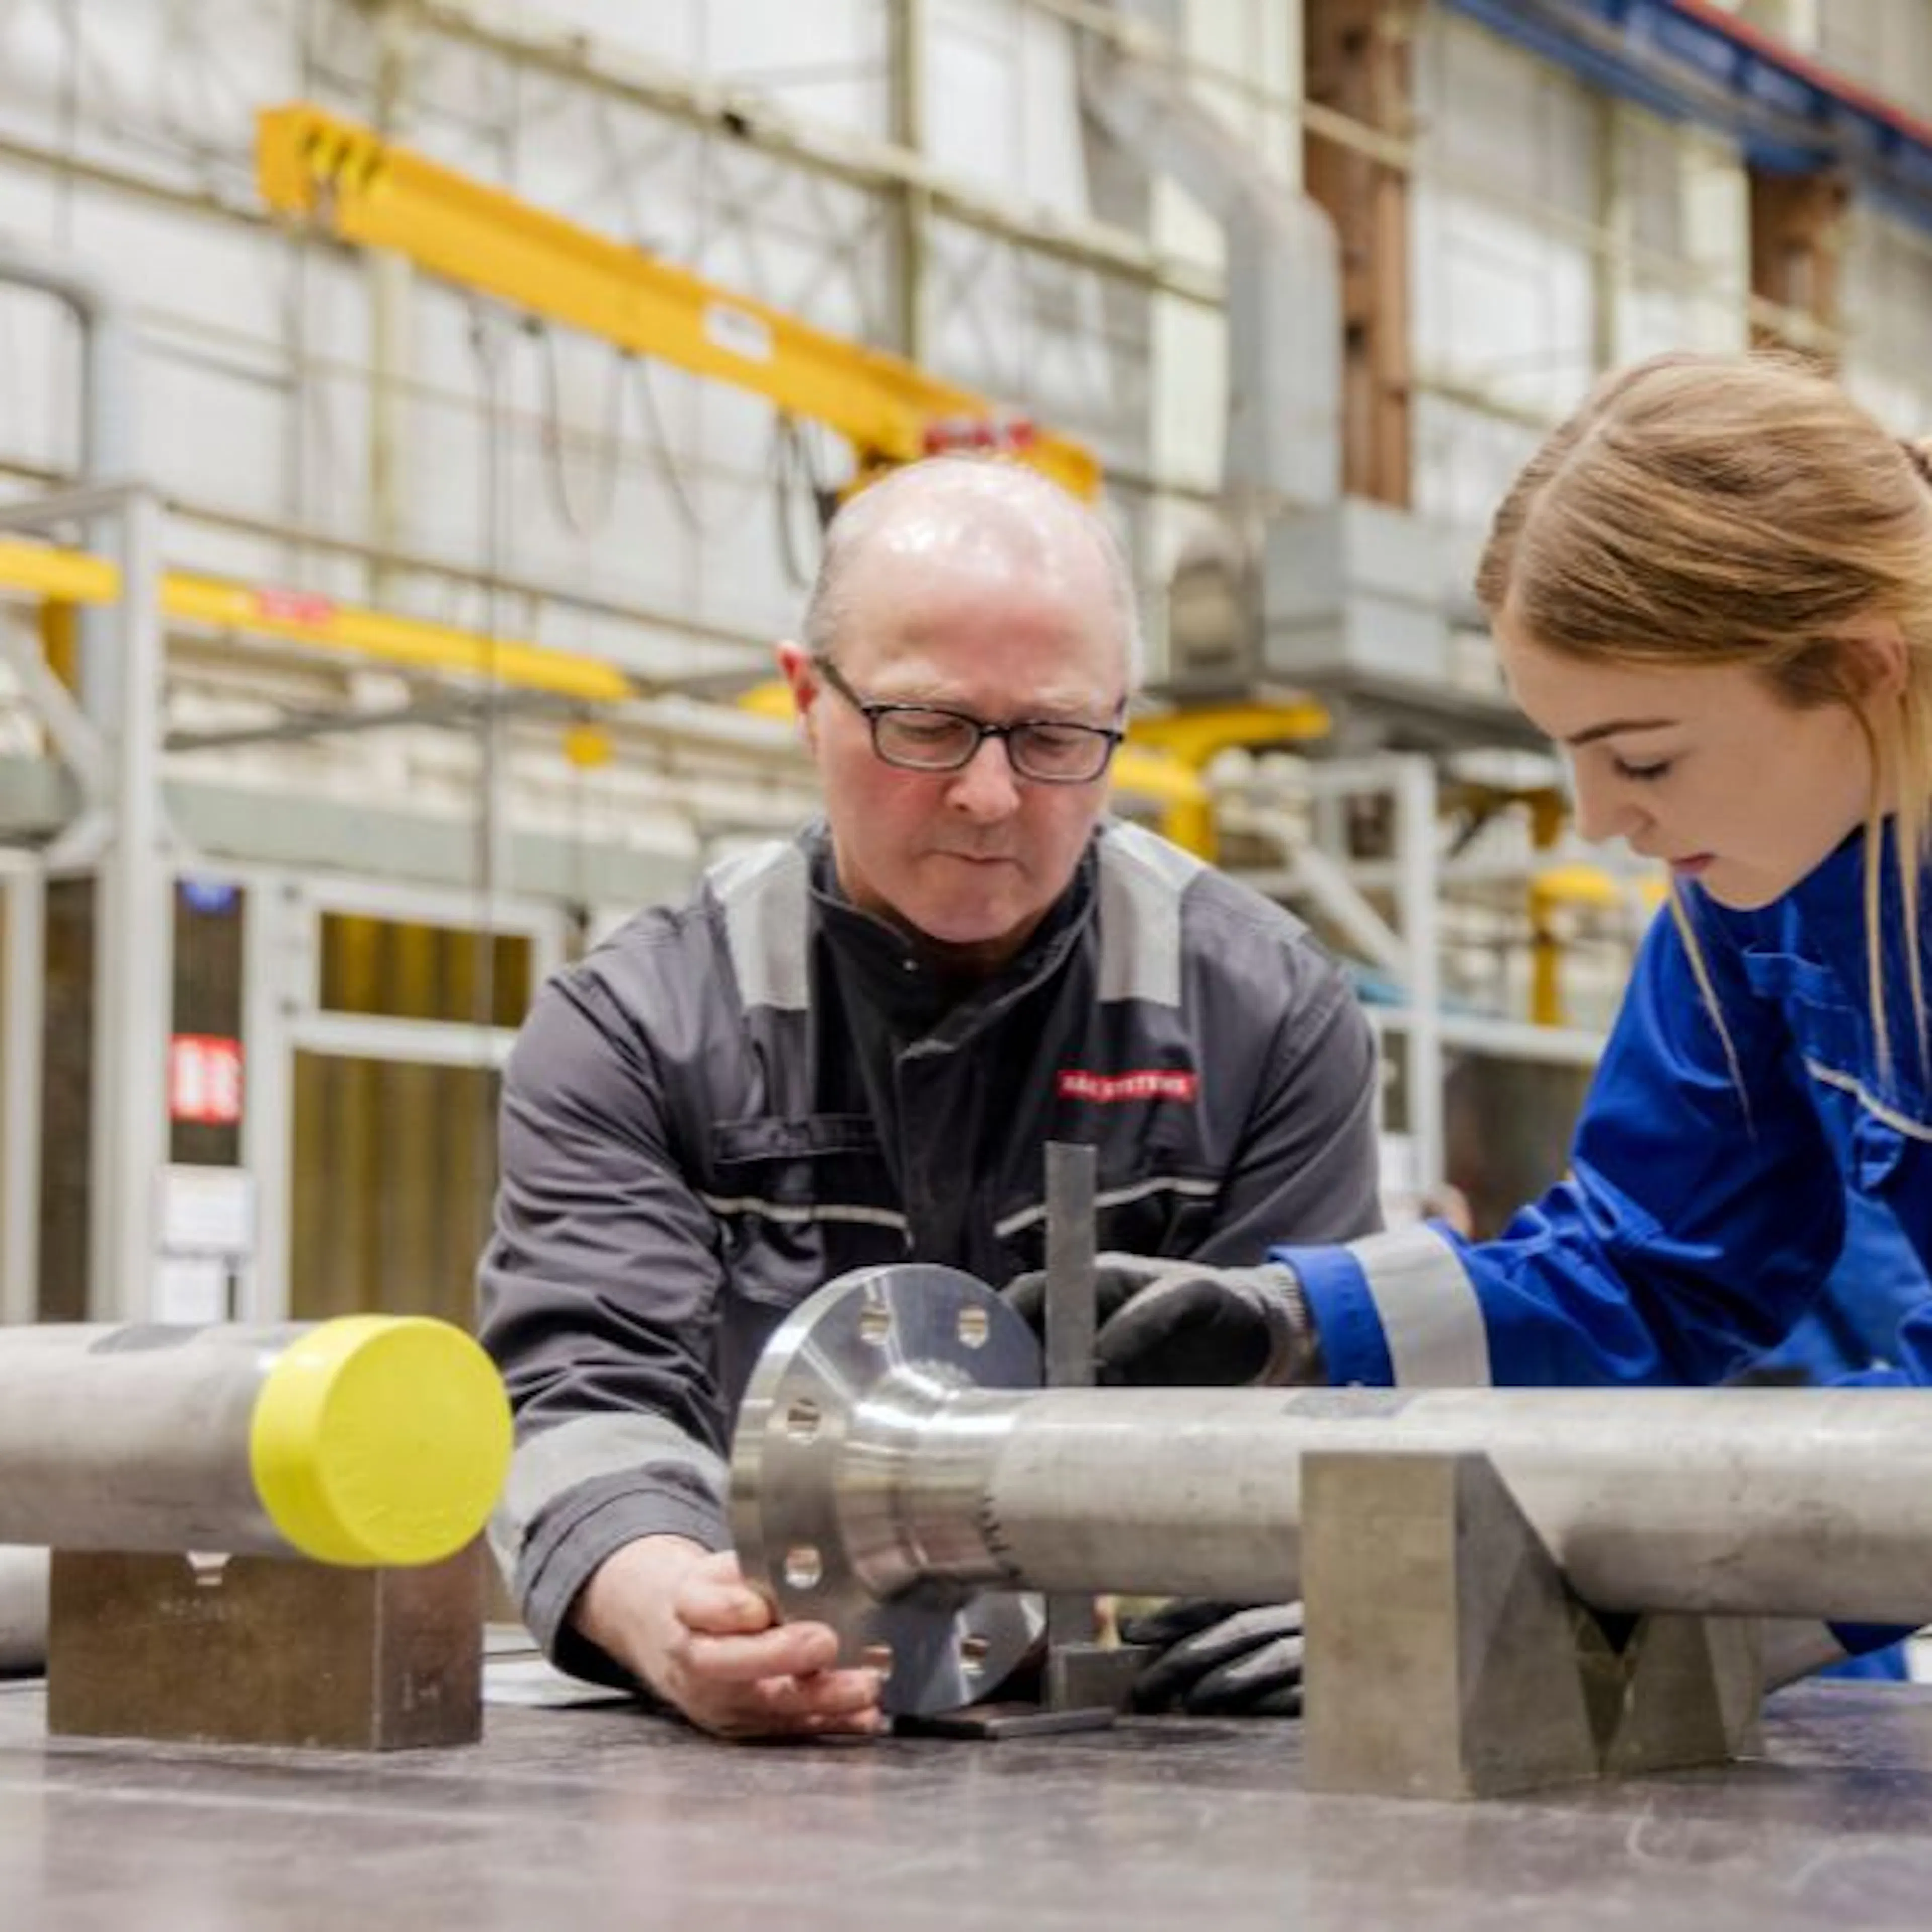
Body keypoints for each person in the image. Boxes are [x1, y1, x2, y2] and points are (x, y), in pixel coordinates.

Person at [1031, 350, 1932, 1676]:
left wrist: (1598, 1622)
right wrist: (1299, 1322)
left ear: (1865, 668)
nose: (1598, 820)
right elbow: (1653, 1269)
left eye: (1643, 757)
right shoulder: (1758, 896)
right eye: (1567, 755)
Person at [479, 454, 1382, 1739]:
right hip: (759, 1775)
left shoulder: (1265, 1016)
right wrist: (671, 1613)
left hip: (1140, 1761)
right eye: (927, 726)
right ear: (806, 699)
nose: (989, 795)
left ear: (1120, 721)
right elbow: (581, 1396)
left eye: (1057, 737)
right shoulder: (637, 1028)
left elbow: (1285, 1439)